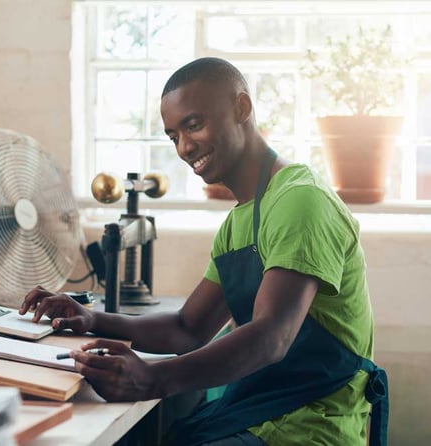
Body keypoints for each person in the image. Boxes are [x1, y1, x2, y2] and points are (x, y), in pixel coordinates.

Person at [20, 57, 387, 446]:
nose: (184, 147)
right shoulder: (238, 223)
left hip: (308, 427)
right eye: (173, 135)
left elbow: (271, 338)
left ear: (241, 108)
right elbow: (188, 328)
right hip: (257, 412)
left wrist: (152, 378)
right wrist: (91, 318)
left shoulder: (300, 200)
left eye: (194, 125)